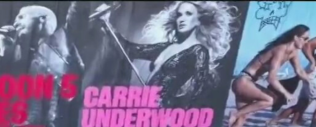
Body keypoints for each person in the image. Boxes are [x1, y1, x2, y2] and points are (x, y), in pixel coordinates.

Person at [94, 1, 239, 108]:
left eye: (188, 14)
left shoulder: (198, 51)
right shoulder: (168, 47)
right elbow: (130, 50)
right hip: (142, 107)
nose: (181, 19)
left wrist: (172, 105)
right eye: (179, 15)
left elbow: (199, 90)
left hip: (163, 115)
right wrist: (106, 22)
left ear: (199, 20)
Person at [219, 24, 311, 127]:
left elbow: (300, 71)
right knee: (270, 100)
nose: (306, 42)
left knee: (243, 117)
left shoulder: (293, 52)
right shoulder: (280, 49)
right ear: (295, 37)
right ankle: (235, 113)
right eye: (305, 38)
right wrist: (286, 94)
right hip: (244, 81)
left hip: (246, 82)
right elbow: (272, 78)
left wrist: (310, 81)